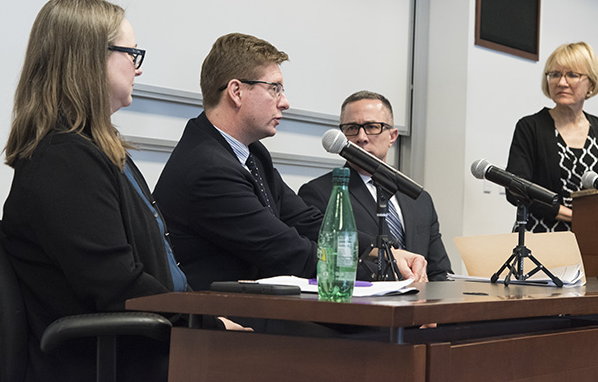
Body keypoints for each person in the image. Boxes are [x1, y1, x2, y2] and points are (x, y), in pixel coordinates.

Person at [0, 0, 231, 382]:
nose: (137, 69)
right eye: (131, 54)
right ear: (90, 59)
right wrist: (210, 327)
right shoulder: (63, 161)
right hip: (120, 359)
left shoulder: (99, 151)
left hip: (149, 346)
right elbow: (117, 286)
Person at [153, 33, 428, 291]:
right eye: (275, 89)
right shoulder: (209, 167)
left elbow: (306, 221)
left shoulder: (253, 155)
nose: (285, 102)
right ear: (236, 92)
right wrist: (380, 267)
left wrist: (383, 250)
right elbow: (286, 250)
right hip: (215, 321)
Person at [298, 91, 452, 281]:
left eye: (372, 127)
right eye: (352, 128)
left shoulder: (420, 199)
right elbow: (325, 263)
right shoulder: (321, 193)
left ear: (392, 136)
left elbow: (440, 271)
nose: (361, 137)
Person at [505, 41, 598, 232]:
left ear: (591, 84)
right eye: (555, 75)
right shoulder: (530, 127)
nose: (561, 82)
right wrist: (575, 217)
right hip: (542, 237)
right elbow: (516, 189)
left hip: (596, 237)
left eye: (572, 75)